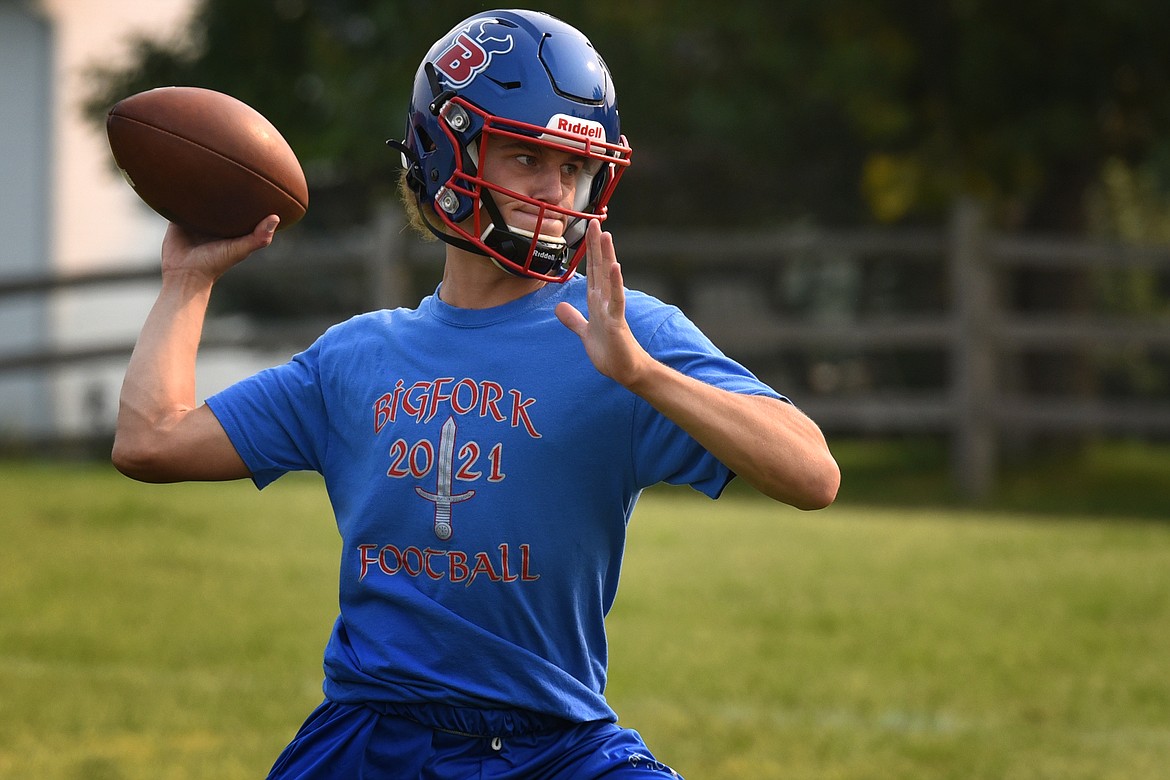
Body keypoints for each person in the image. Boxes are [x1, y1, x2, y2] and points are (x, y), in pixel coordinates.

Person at [112, 9, 839, 778]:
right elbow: (151, 439)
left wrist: (643, 376)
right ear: (446, 150)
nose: (556, 190)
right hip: (372, 738)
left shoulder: (619, 332)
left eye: (574, 166)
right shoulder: (358, 357)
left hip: (557, 744)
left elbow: (813, 474)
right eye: (527, 158)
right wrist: (188, 281)